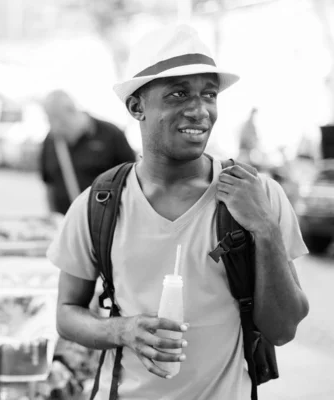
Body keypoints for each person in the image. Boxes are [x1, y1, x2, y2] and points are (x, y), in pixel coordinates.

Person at [47, 25, 309, 399]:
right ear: (136, 107)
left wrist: (265, 228)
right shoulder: (98, 203)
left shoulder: (258, 194)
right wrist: (122, 330)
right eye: (177, 94)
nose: (199, 109)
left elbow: (282, 330)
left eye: (209, 94)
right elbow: (66, 313)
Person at [39, 90, 137, 214]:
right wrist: (53, 216)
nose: (53, 126)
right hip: (64, 221)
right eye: (49, 119)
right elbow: (49, 184)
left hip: (106, 222)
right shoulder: (51, 140)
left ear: (71, 111)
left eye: (57, 119)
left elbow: (132, 180)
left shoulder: (110, 134)